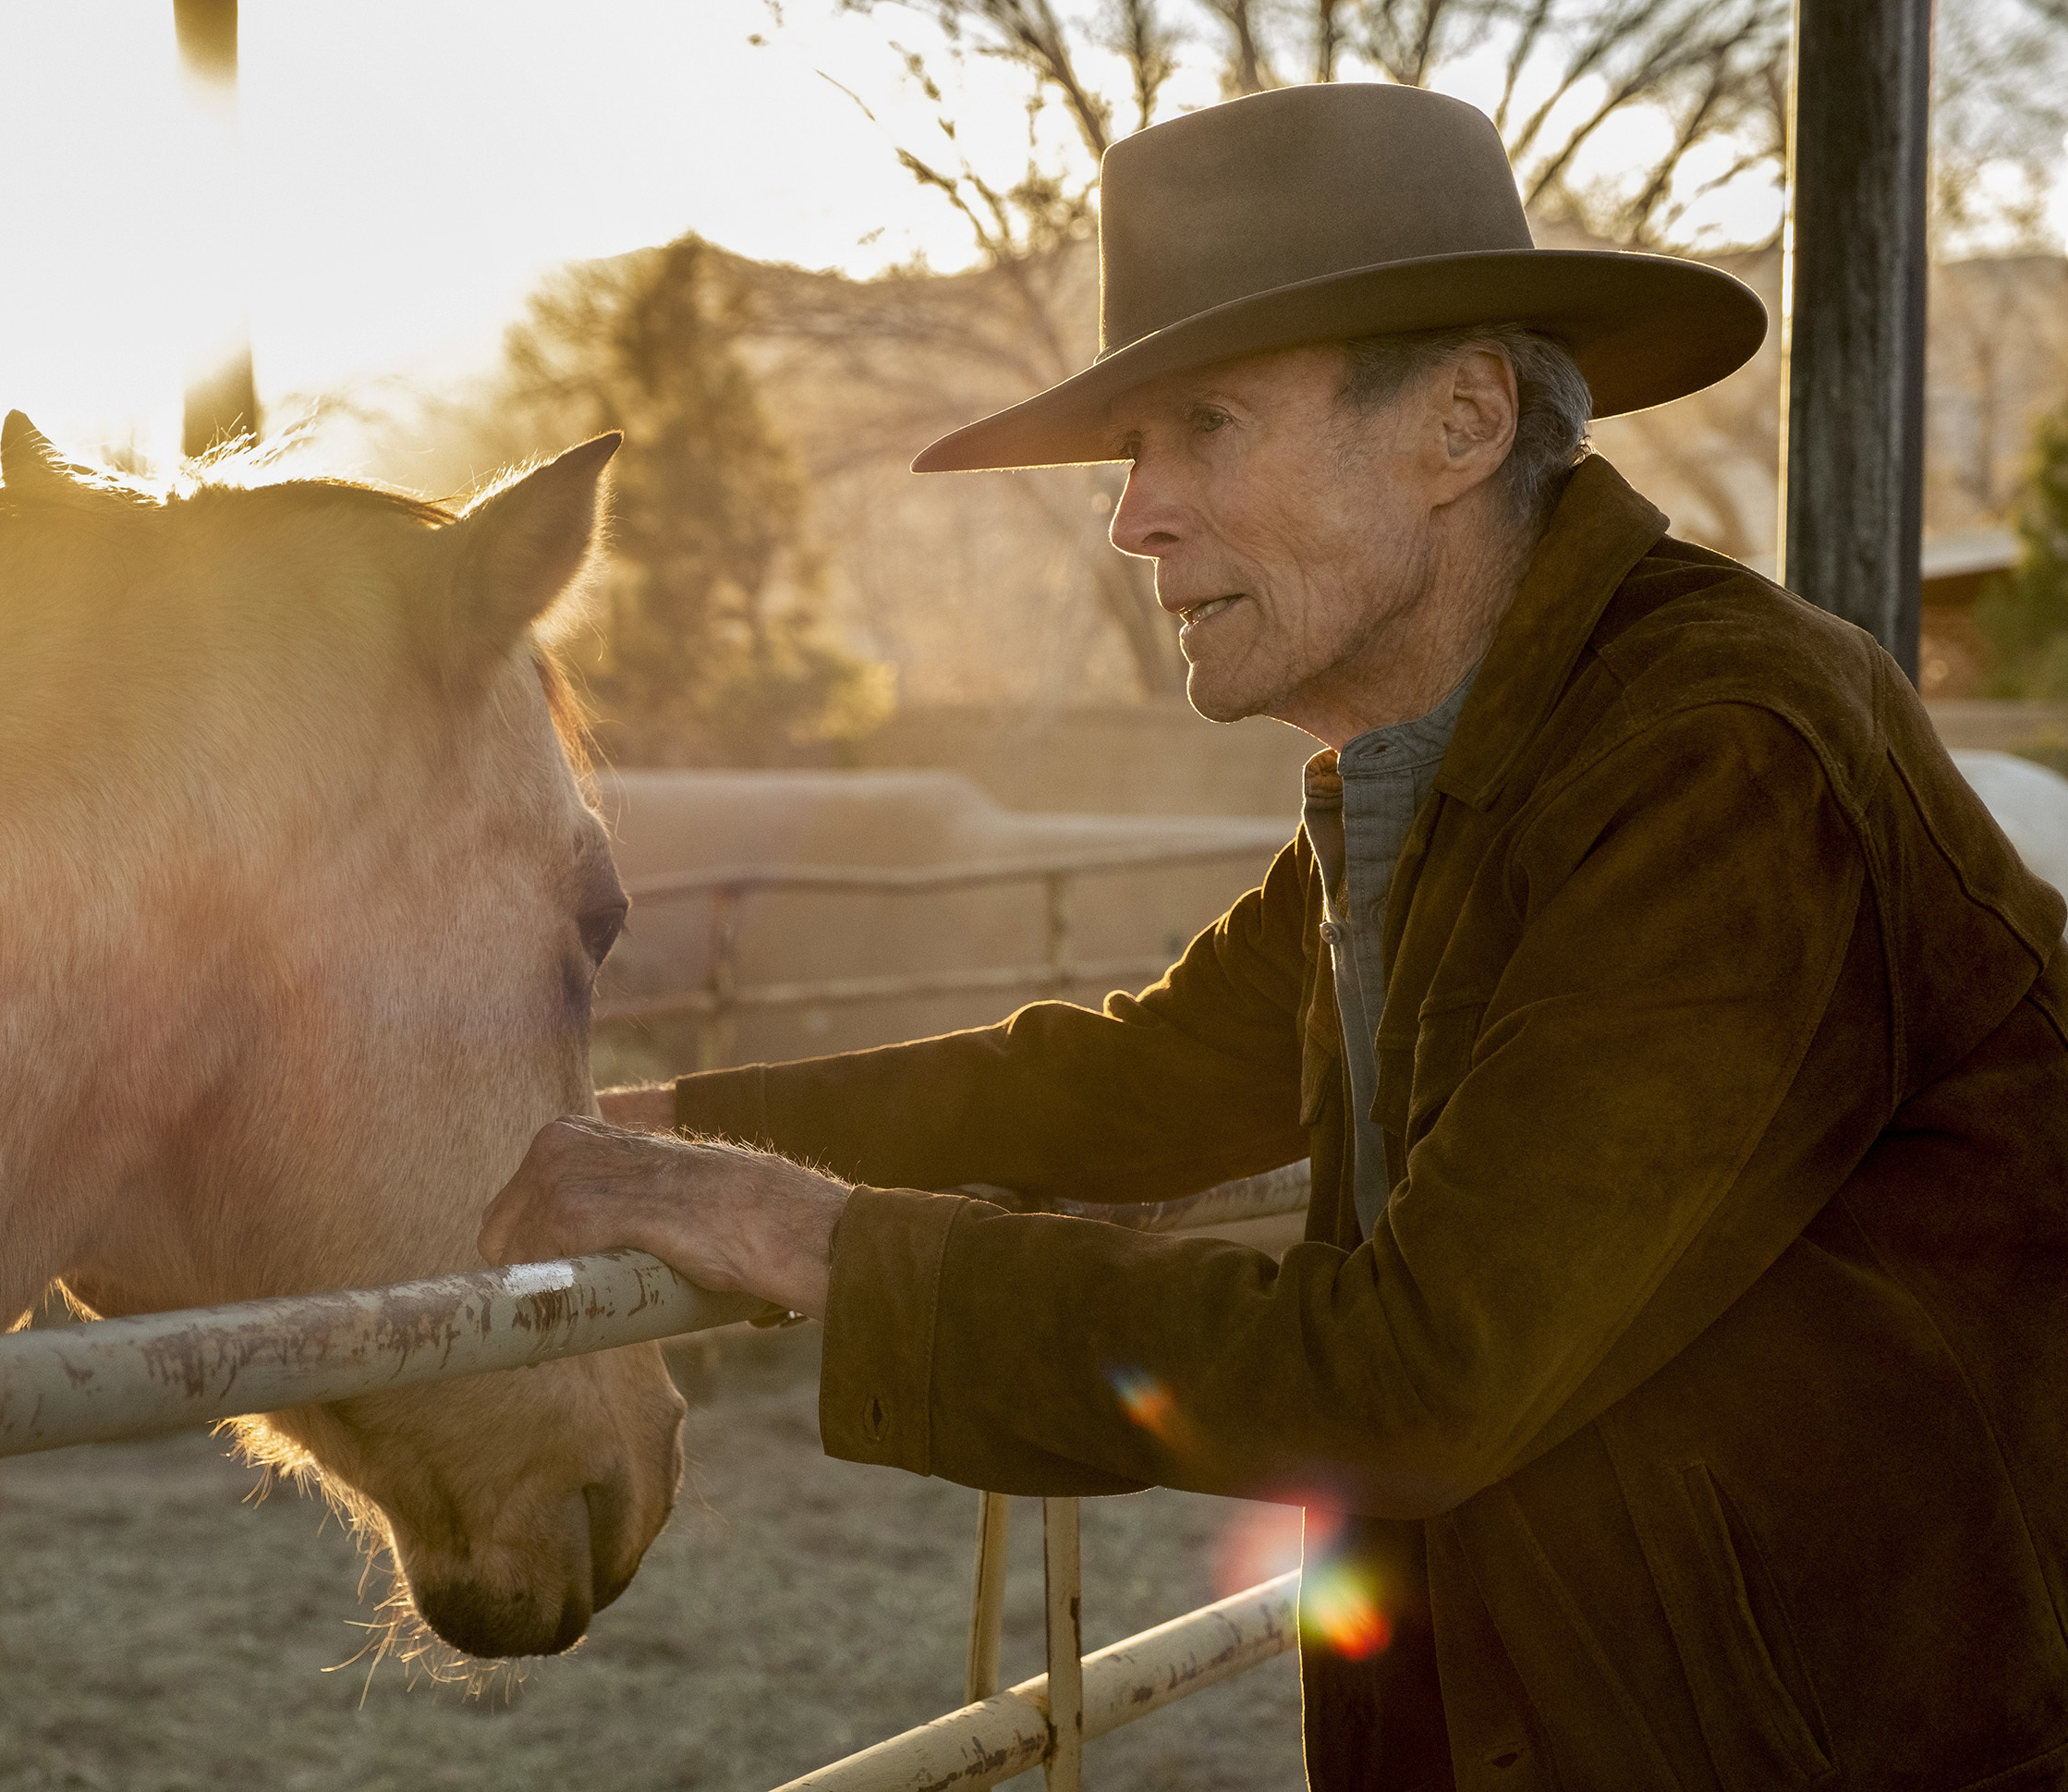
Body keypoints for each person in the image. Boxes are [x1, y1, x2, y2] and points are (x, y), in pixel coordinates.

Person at [481, 83, 2068, 1791]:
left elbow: (1420, 1371)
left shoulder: (1722, 759)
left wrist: (807, 1239)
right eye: (1132, 450)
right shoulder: (1460, 763)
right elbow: (1147, 1077)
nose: (1133, 515)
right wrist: (657, 1138)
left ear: (1463, 422)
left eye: (1206, 426)